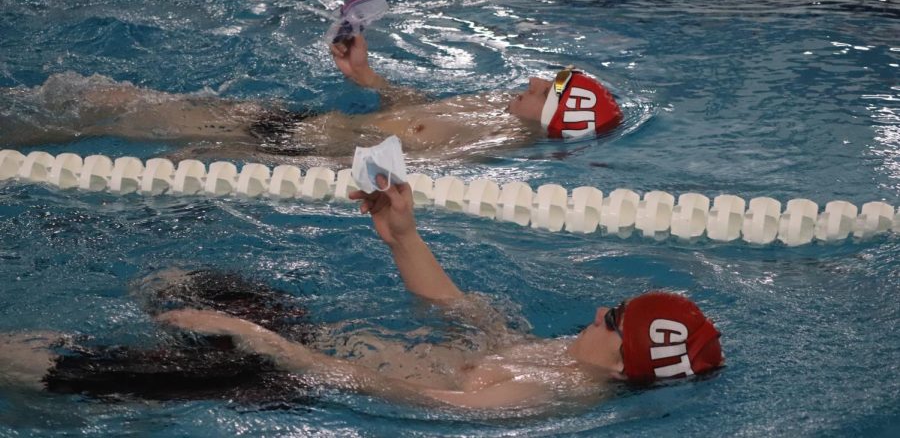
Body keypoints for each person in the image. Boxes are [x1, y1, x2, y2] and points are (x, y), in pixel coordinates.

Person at [0, 175, 723, 412]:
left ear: (628, 364)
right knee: (177, 283)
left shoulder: (526, 401)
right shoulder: (558, 358)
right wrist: (403, 236)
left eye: (618, 317)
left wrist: (263, 344)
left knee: (66, 368)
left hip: (279, 376)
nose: (602, 309)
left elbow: (377, 390)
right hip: (302, 345)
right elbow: (458, 312)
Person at [0, 18, 622, 163]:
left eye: (554, 85)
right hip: (292, 122)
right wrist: (366, 77)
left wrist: (255, 159)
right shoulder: (489, 109)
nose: (537, 78)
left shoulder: (486, 148)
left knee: (114, 119)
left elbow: (383, 165)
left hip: (291, 148)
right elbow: (410, 121)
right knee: (112, 102)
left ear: (558, 119)